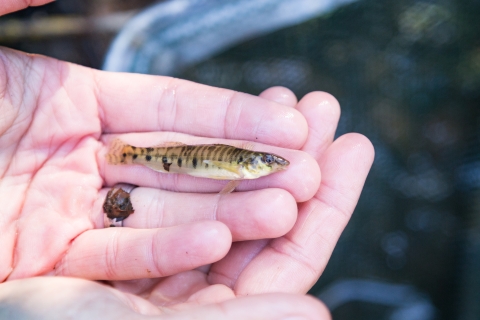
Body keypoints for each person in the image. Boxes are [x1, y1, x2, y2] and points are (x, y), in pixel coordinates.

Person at [0, 1, 375, 319]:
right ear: (252, 163)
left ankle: (134, 159)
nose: (272, 165)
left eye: (268, 162)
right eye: (266, 161)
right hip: (169, 159)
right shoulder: (239, 168)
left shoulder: (243, 169)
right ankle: (132, 158)